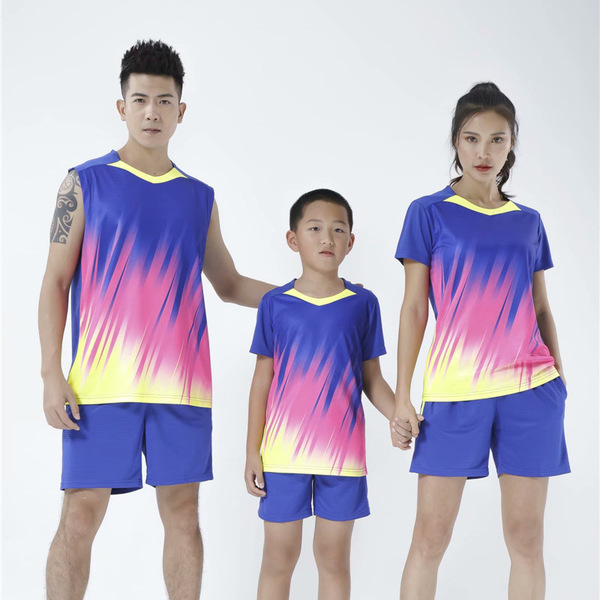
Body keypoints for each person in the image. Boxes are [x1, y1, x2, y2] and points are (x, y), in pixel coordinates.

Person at [38, 40, 273, 600]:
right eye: (140, 100)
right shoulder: (84, 182)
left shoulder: (198, 197)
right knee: (80, 514)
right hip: (99, 387)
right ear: (121, 106)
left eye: (163, 101)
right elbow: (55, 281)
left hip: (182, 389)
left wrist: (309, 296)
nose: (151, 112)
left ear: (180, 111)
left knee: (184, 516)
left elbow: (230, 285)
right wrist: (50, 373)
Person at [392, 82, 570, 600]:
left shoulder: (528, 222)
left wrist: (560, 380)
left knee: (526, 539)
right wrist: (403, 396)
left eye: (497, 139)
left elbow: (540, 308)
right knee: (430, 539)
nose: (483, 152)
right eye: (472, 139)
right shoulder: (428, 212)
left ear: (512, 144)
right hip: (454, 393)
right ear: (456, 141)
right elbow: (414, 308)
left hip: (531, 392)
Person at [244, 189, 408, 600]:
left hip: (343, 456)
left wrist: (399, 415)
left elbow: (372, 378)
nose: (327, 239)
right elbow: (262, 381)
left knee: (333, 560)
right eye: (314, 229)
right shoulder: (274, 304)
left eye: (337, 230)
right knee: (278, 559)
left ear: (350, 242)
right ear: (293, 239)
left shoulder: (363, 304)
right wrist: (252, 451)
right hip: (282, 455)